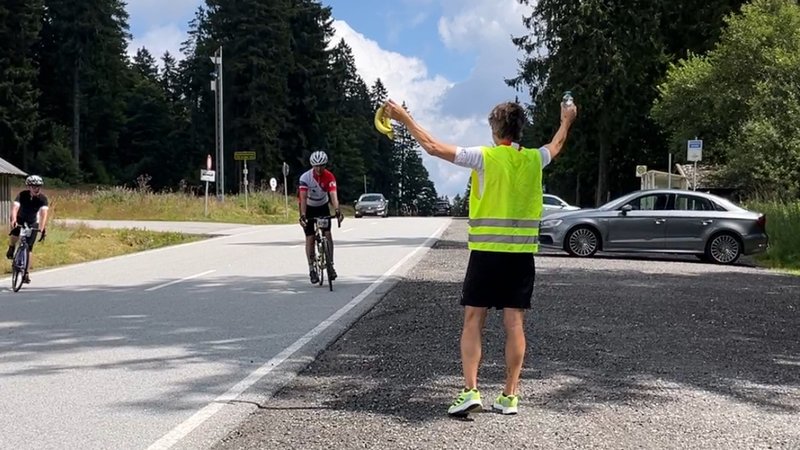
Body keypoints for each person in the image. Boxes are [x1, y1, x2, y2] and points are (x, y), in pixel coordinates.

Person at [381, 97, 577, 416]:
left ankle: (471, 390)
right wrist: (566, 119)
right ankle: (509, 396)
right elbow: (556, 144)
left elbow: (432, 147)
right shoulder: (534, 159)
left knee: (474, 320)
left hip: (486, 254)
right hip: (521, 256)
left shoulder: (484, 157)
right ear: (519, 130)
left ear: (494, 129)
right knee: (514, 324)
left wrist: (405, 119)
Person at [298, 150, 344, 284]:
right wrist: (303, 215)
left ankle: (330, 265)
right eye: (316, 166)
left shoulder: (329, 177)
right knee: (310, 237)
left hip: (322, 206)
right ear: (312, 166)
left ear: (325, 165)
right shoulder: (305, 178)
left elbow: (333, 195)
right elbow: (303, 198)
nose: (318, 168)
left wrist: (337, 210)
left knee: (328, 234)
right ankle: (311, 268)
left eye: (321, 165)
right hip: (308, 207)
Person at [7, 175, 50, 283]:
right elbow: (15, 207)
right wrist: (13, 220)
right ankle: (12, 247)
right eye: (34, 186)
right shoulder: (22, 195)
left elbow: (44, 214)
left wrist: (42, 228)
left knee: (29, 247)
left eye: (39, 186)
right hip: (19, 218)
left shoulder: (42, 199)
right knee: (15, 233)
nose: (37, 188)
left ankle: (26, 273)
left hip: (32, 221)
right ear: (29, 187)